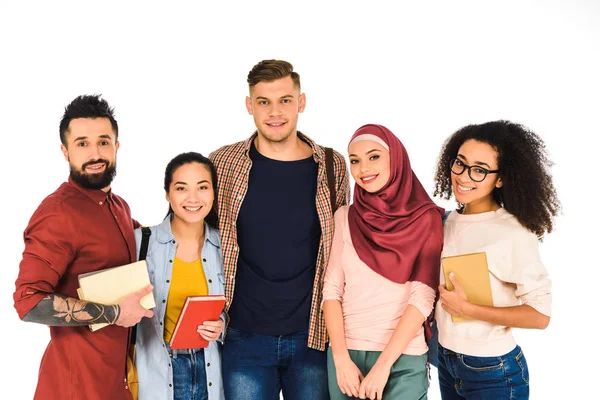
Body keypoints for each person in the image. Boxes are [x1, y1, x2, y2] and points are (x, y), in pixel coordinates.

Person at [209, 59, 350, 400]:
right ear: (249, 106)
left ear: (301, 102)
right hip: (243, 336)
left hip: (314, 336)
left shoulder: (332, 166)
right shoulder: (221, 163)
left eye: (285, 100)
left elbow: (346, 248)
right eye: (264, 102)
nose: (275, 112)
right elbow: (196, 237)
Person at [13, 94, 154, 400]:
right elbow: (28, 302)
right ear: (65, 151)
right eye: (82, 143)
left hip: (120, 383)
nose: (95, 153)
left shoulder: (119, 207)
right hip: (74, 389)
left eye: (103, 142)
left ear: (116, 146)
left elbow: (154, 244)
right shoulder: (58, 213)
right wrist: (115, 312)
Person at [432, 120, 560, 399]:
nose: (463, 177)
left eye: (479, 170)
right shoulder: (447, 221)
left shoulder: (511, 232)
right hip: (446, 360)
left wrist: (469, 309)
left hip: (492, 370)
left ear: (500, 178)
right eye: (460, 163)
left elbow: (540, 316)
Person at [323, 124, 444, 400]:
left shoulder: (427, 219)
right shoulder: (345, 216)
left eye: (374, 156)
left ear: (396, 159)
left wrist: (383, 366)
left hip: (402, 357)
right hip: (346, 357)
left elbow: (423, 297)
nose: (363, 168)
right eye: (355, 160)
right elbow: (331, 290)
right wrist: (340, 358)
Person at [134, 152, 226, 400]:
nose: (193, 198)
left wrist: (222, 327)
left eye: (203, 187)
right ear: (167, 194)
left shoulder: (226, 245)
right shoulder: (141, 243)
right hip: (158, 373)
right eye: (181, 188)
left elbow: (243, 309)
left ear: (214, 192)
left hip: (211, 371)